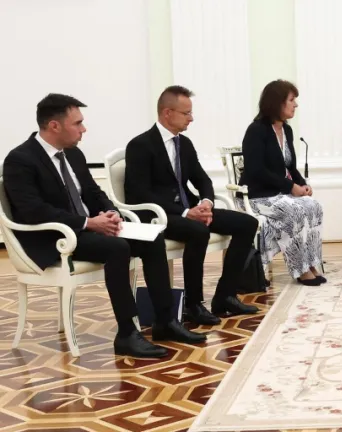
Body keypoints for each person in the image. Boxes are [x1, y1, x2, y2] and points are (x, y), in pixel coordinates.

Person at [3, 93, 204, 358]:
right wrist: (88, 223)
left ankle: (165, 321)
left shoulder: (73, 154)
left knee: (152, 238)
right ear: (54, 126)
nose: (83, 129)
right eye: (77, 123)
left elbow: (93, 192)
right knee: (117, 248)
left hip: (88, 229)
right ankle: (127, 334)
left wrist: (111, 213)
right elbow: (34, 211)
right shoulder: (20, 159)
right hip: (54, 238)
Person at [124, 85, 259, 324]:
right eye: (186, 113)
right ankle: (194, 304)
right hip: (159, 215)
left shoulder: (184, 144)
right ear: (167, 113)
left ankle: (225, 295)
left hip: (191, 210)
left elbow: (202, 179)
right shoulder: (140, 145)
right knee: (198, 231)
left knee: (247, 223)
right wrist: (186, 212)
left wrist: (206, 203)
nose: (191, 118)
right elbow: (139, 193)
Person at [240, 79, 326, 286]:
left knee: (313, 206)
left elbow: (290, 166)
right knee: (294, 211)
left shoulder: (287, 130)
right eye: (291, 100)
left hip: (279, 194)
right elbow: (256, 169)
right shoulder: (256, 130)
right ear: (277, 102)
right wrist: (290, 187)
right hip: (257, 196)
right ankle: (300, 269)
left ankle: (311, 263)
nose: (296, 104)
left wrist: (302, 184)